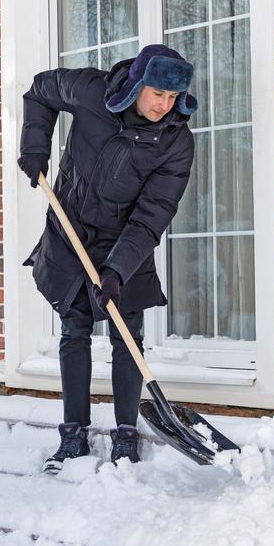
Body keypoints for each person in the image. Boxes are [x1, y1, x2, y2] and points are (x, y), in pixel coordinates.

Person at [18, 44, 197, 472]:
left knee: (126, 335)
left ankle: (126, 436)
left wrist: (116, 270)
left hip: (125, 243)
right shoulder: (91, 90)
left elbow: (153, 214)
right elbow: (40, 91)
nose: (164, 105)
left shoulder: (175, 141)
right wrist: (35, 146)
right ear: (136, 84)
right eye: (158, 93)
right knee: (74, 329)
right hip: (70, 229)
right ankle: (72, 435)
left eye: (173, 97)